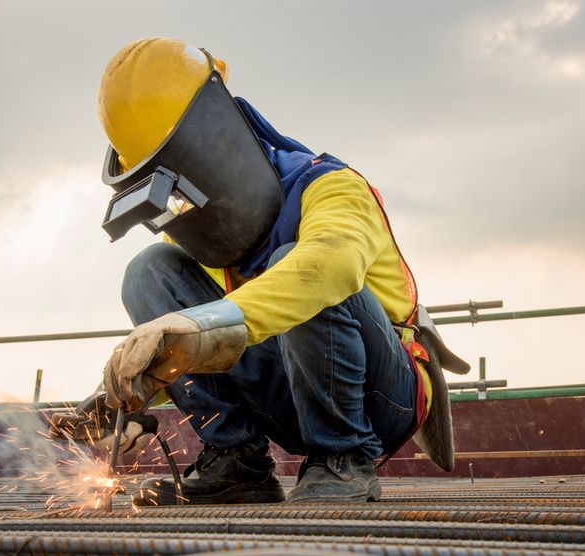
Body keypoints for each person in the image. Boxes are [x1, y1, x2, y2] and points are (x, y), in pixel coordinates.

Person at [93, 37, 468, 505]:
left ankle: (343, 457)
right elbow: (215, 340)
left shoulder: (333, 189)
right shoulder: (203, 234)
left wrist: (195, 324)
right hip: (290, 392)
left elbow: (325, 270)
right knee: (151, 271)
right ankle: (237, 462)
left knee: (293, 265)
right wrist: (141, 392)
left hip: (380, 397)